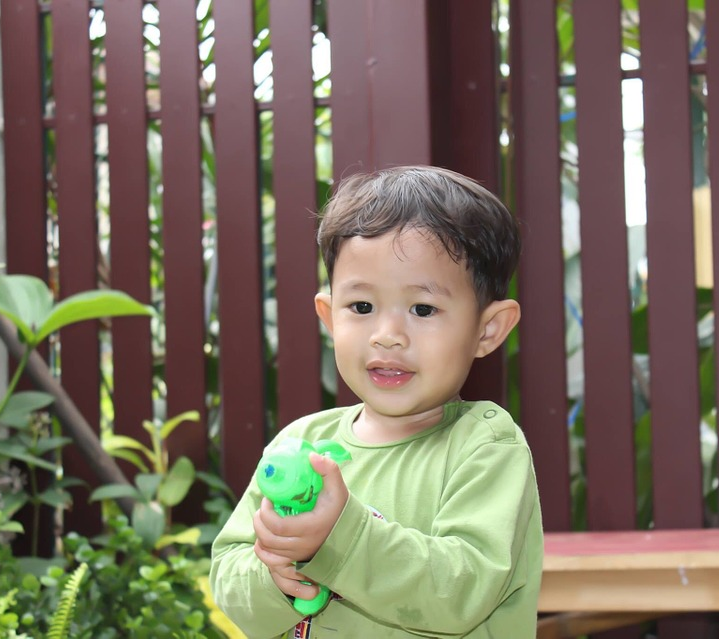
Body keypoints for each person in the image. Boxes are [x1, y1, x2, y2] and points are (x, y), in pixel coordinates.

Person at [210, 165, 543, 638]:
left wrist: (342, 539)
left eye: (423, 309)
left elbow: (463, 592)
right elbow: (230, 577)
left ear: (487, 329)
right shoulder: (301, 443)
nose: (387, 336)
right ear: (330, 316)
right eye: (362, 307)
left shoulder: (485, 447)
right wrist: (277, 575)